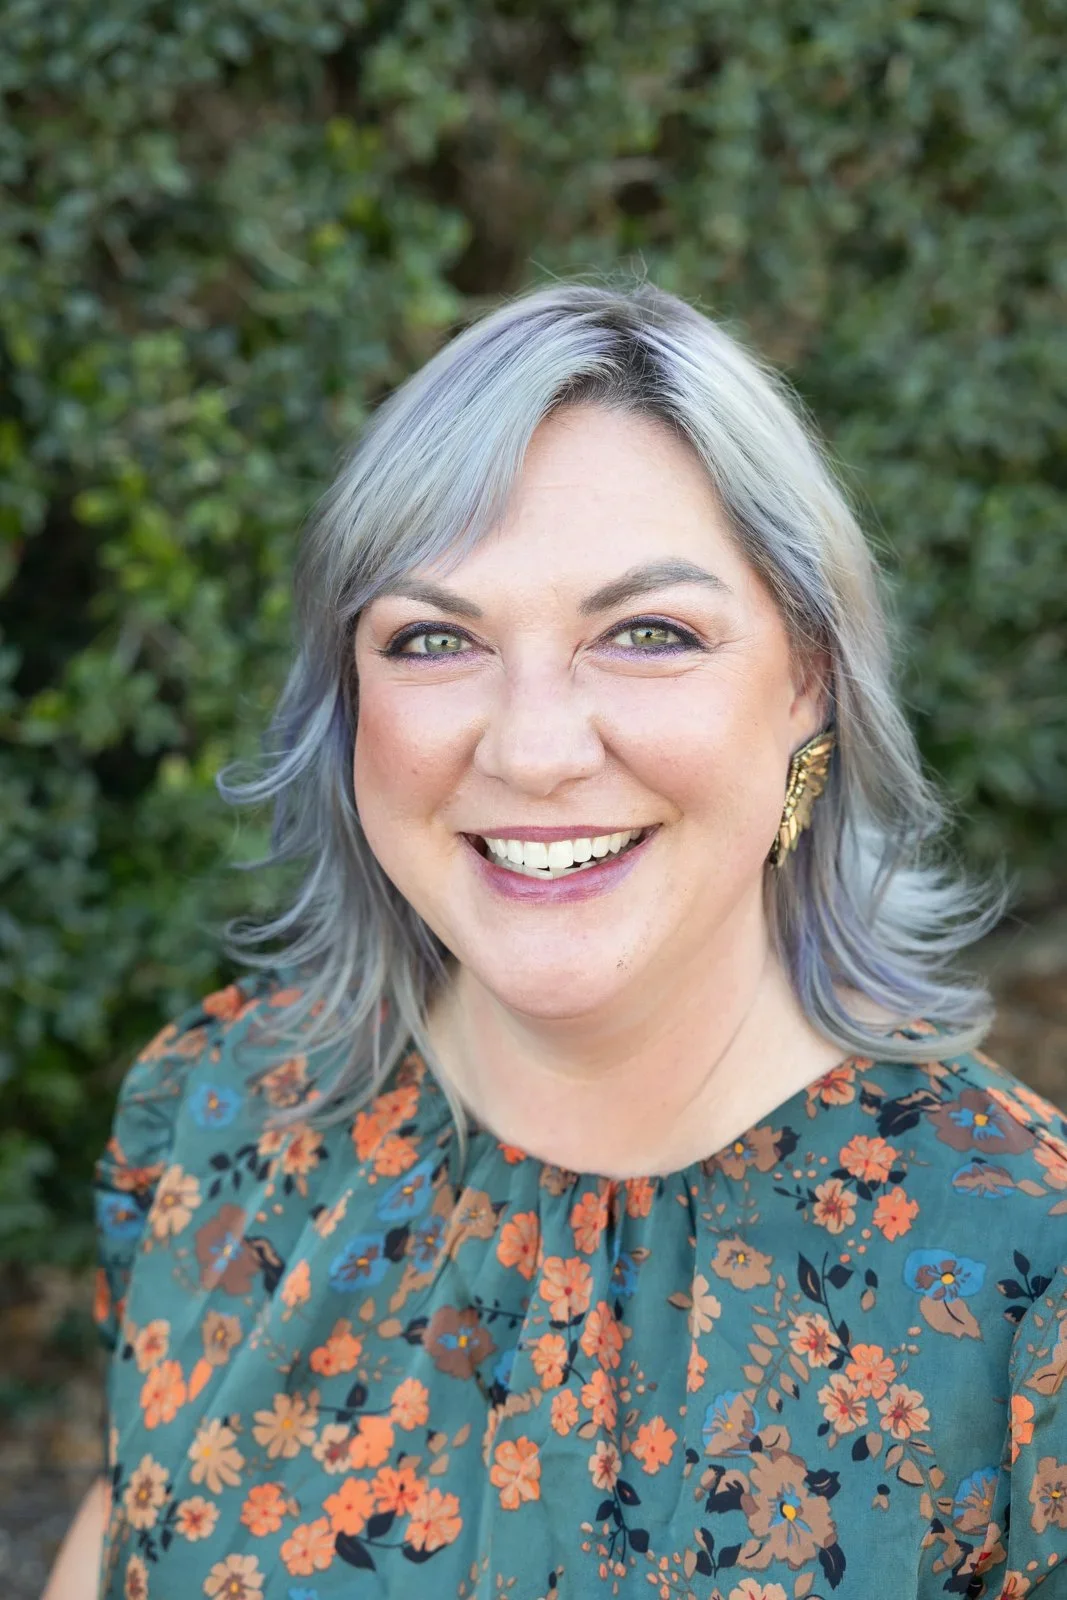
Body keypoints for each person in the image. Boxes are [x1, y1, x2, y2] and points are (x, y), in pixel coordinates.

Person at [45, 282, 1067, 1600]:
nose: (532, 750)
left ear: (808, 679)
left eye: (647, 634)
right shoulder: (222, 1108)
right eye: (433, 639)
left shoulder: (1024, 1285)